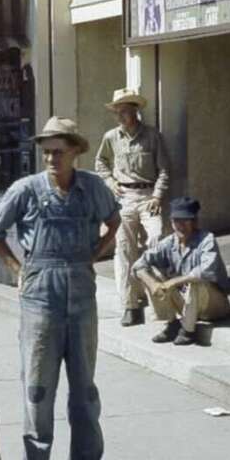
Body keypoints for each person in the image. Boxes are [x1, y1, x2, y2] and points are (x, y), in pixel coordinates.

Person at [0, 116, 121, 460]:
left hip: (80, 288)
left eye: (58, 151)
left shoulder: (92, 187)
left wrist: (93, 255)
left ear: (76, 151)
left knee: (84, 386)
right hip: (40, 289)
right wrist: (16, 268)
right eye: (46, 151)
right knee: (38, 387)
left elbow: (114, 221)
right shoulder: (25, 189)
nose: (51, 158)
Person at [94, 88, 170, 327]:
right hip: (124, 198)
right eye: (118, 110)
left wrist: (157, 196)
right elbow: (101, 162)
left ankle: (161, 299)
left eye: (126, 110)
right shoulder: (111, 137)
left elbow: (165, 170)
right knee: (125, 250)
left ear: (136, 111)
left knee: (156, 241)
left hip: (148, 196)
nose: (121, 115)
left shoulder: (152, 136)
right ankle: (130, 305)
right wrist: (110, 182)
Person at [132, 196, 230, 346]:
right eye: (176, 221)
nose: (180, 226)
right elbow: (138, 265)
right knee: (150, 272)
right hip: (187, 303)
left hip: (213, 306)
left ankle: (188, 331)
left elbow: (205, 270)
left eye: (185, 221)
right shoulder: (169, 242)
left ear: (194, 222)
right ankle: (173, 323)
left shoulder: (207, 239)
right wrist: (153, 284)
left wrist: (173, 281)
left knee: (195, 280)